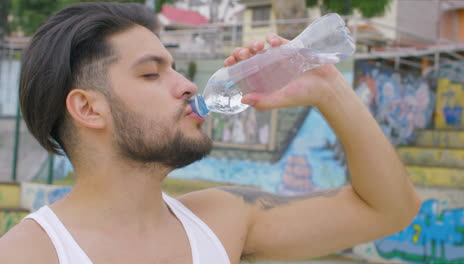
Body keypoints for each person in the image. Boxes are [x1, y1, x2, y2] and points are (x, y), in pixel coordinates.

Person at [0, 2, 421, 263]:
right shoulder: (29, 254)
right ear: (88, 108)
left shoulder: (222, 219)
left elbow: (388, 210)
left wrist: (330, 90)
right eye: (151, 74)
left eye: (175, 67)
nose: (186, 85)